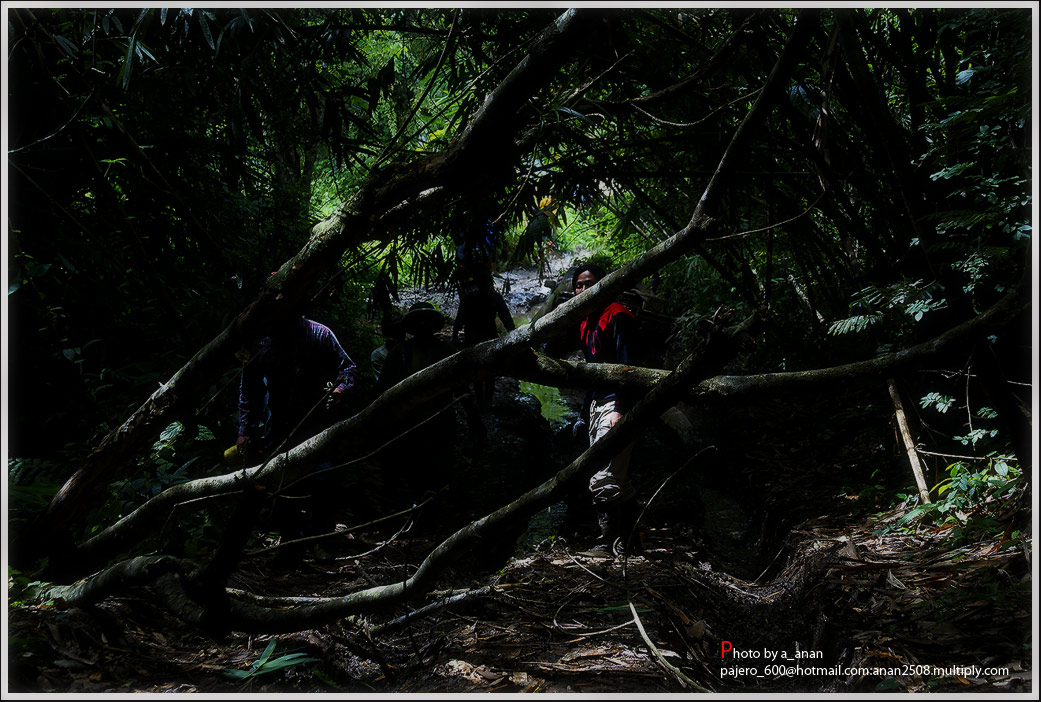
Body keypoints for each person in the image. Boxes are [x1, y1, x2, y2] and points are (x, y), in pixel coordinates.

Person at [235, 314, 359, 543]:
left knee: (324, 477)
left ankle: (321, 536)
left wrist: (339, 391)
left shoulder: (320, 334)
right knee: (282, 481)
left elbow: (348, 369)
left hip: (317, 421)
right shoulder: (262, 341)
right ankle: (290, 540)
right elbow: (249, 388)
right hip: (278, 423)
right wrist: (245, 430)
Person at [571, 263, 643, 558]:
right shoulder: (585, 321)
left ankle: (606, 543)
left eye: (589, 283)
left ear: (604, 285)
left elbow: (630, 367)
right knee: (618, 479)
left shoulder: (618, 315)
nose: (583, 290)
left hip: (616, 404)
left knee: (602, 476)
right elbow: (592, 373)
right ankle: (631, 544)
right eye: (578, 285)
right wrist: (583, 413)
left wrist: (620, 409)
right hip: (597, 404)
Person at [452, 277, 516, 408]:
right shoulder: (493, 296)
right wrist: (512, 332)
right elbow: (505, 316)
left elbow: (460, 318)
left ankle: (481, 400)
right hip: (488, 335)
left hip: (473, 336)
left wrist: (455, 334)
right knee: (489, 368)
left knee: (477, 368)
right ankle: (487, 400)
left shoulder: (468, 297)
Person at [370, 307, 406, 382]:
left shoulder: (413, 349)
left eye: (400, 328)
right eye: (394, 330)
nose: (399, 332)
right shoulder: (379, 354)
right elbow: (384, 382)